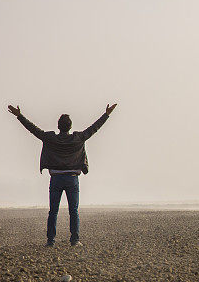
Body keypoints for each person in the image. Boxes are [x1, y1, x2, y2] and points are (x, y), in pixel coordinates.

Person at [8, 103, 117, 246]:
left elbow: (33, 130)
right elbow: (94, 129)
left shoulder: (51, 138)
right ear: (70, 127)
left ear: (58, 126)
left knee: (53, 211)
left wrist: (19, 116)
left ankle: (50, 241)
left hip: (56, 179)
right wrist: (106, 114)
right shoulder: (78, 138)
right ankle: (75, 240)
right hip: (72, 179)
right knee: (74, 211)